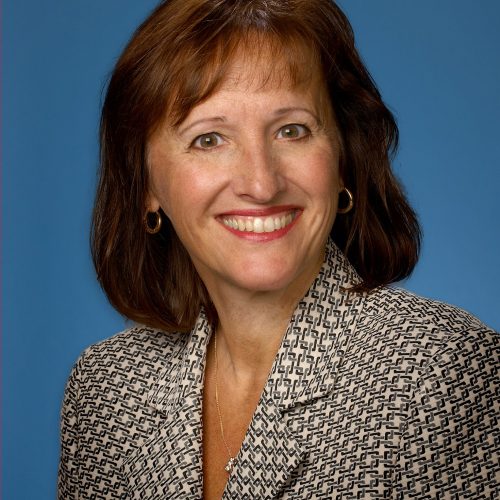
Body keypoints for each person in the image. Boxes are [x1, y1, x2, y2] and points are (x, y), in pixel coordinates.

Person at [58, 0, 499, 498]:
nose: (261, 183)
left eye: (292, 131)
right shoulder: (106, 391)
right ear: (144, 184)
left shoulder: (439, 371)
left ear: (342, 158)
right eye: (209, 139)